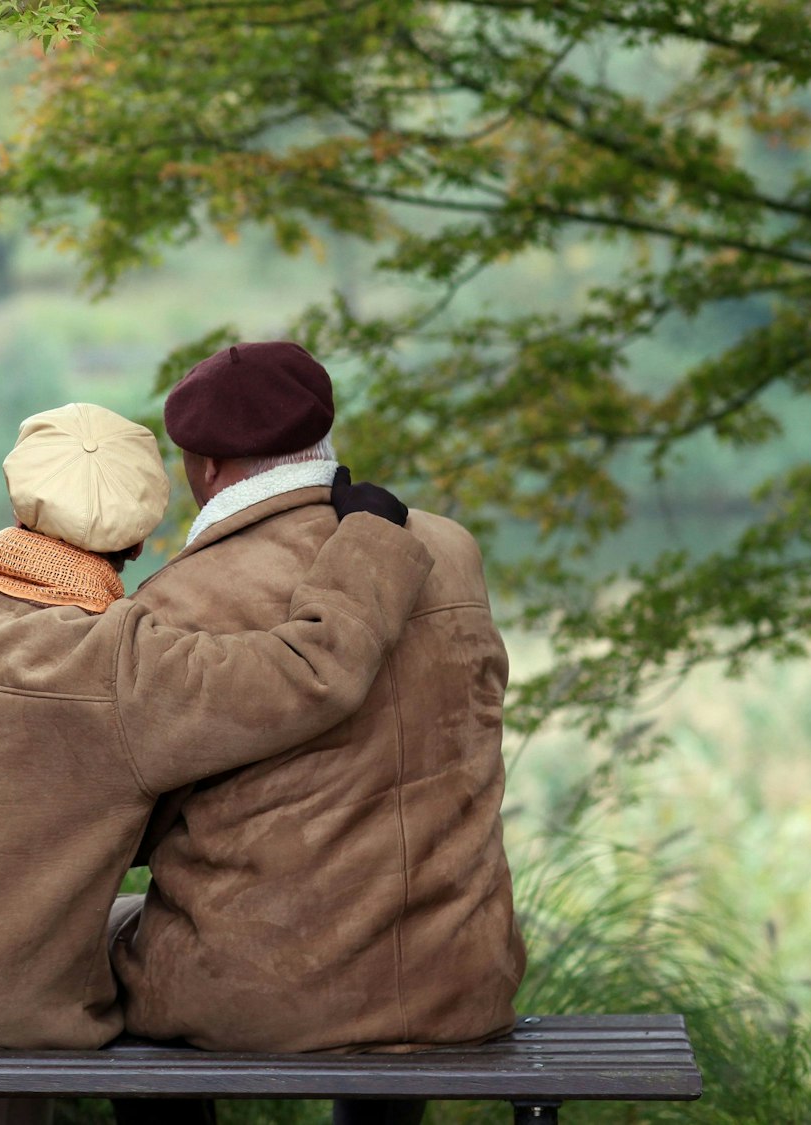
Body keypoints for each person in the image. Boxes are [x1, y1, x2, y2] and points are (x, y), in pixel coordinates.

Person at [0, 402, 433, 1124]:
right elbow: (312, 671)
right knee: (109, 944)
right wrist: (368, 538)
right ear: (142, 539)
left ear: (21, 498)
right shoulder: (130, 662)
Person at [110, 343, 526, 1124]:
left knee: (99, 955)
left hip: (260, 995)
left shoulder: (183, 597)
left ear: (202, 467)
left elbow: (134, 815)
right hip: (460, 977)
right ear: (320, 436)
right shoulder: (449, 549)